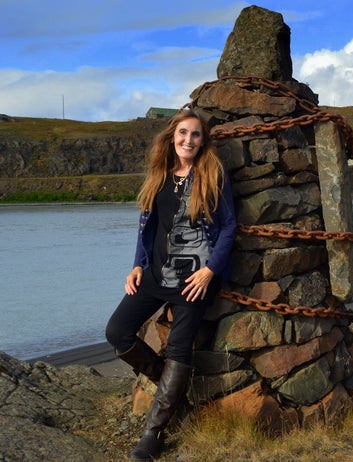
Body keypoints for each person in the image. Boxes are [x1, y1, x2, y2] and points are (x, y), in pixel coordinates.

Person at [105, 109, 236, 461]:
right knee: (117, 332)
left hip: (194, 279)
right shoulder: (160, 175)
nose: (188, 140)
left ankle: (154, 432)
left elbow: (228, 227)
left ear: (203, 141)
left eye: (195, 135)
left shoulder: (212, 174)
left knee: (180, 347)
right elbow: (145, 225)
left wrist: (210, 270)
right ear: (172, 136)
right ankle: (172, 388)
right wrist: (136, 264)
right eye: (183, 133)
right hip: (154, 276)